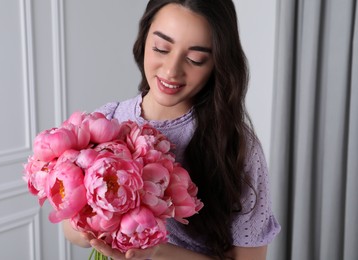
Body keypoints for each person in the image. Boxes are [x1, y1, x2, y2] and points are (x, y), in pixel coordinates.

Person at [62, 0, 281, 259]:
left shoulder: (235, 144)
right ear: (144, 39)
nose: (171, 70)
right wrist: (95, 228)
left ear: (217, 63)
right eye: (161, 48)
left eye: (195, 59)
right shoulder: (106, 121)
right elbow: (72, 226)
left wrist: (155, 251)